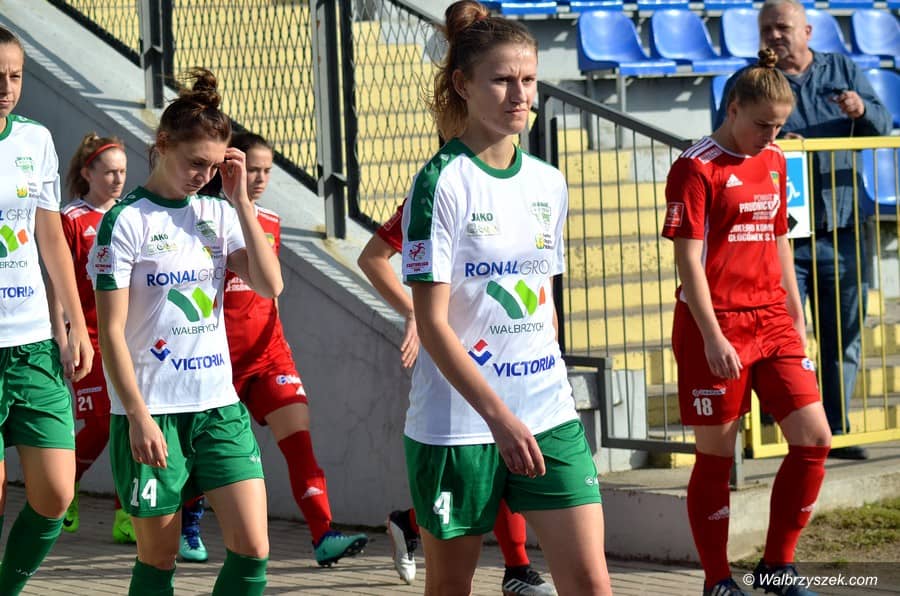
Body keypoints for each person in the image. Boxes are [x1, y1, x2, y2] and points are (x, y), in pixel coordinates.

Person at [399, 2, 612, 594]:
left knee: (591, 583)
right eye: (502, 80)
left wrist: (544, 386)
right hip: (459, 427)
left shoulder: (549, 181)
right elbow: (432, 324)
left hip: (548, 412)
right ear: (463, 84)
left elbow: (545, 301)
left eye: (528, 79)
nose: (519, 95)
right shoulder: (439, 183)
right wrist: (498, 417)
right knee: (451, 588)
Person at [90, 68, 282, 595]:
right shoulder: (124, 222)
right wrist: (137, 417)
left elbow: (270, 284)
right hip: (154, 411)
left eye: (214, 166)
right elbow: (111, 333)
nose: (204, 175)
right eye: (196, 162)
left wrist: (242, 202)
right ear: (162, 144)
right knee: (159, 559)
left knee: (254, 549)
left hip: (218, 407)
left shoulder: (218, 212)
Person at [666, 49, 833, 596]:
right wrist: (712, 336)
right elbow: (689, 261)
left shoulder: (777, 159)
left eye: (779, 125)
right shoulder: (695, 166)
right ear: (733, 108)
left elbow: (780, 237)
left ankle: (777, 567)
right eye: (763, 124)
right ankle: (717, 579)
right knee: (716, 457)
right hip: (715, 324)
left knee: (815, 439)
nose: (771, 135)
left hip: (772, 320)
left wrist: (795, 313)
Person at [178, 131, 369, 567]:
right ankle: (189, 524)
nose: (261, 178)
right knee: (205, 451)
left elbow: (270, 289)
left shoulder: (270, 221)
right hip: (216, 359)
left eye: (267, 170)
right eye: (253, 169)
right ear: (229, 168)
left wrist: (279, 338)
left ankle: (324, 534)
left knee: (299, 442)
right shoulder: (202, 216)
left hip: (268, 356)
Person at [714, 0, 892, 460]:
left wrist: (860, 109)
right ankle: (773, 427)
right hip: (775, 237)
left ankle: (837, 430)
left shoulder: (842, 69)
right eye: (766, 29)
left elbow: (883, 124)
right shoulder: (748, 81)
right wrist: (774, 147)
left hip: (842, 224)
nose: (774, 35)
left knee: (843, 336)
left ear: (807, 31)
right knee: (775, 336)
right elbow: (722, 138)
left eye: (783, 27)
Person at [359, 202, 557, 594]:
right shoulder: (436, 195)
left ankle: (508, 563)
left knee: (509, 465)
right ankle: (515, 566)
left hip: (521, 371)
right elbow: (373, 257)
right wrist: (414, 313)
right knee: (484, 473)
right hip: (460, 369)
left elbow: (540, 275)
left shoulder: (529, 191)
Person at [0, 25, 94, 595]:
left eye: (15, 76)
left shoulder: (34, 140)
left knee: (56, 494)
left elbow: (50, 236)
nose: (6, 88)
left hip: (33, 342)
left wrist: (73, 324)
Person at [54, 132, 136, 544]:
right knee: (103, 423)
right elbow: (58, 281)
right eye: (109, 172)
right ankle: (65, 484)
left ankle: (126, 515)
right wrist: (64, 336)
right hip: (87, 336)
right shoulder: (71, 218)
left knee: (128, 421)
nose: (118, 179)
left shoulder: (129, 214)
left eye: (122, 171)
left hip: (128, 336)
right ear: (88, 174)